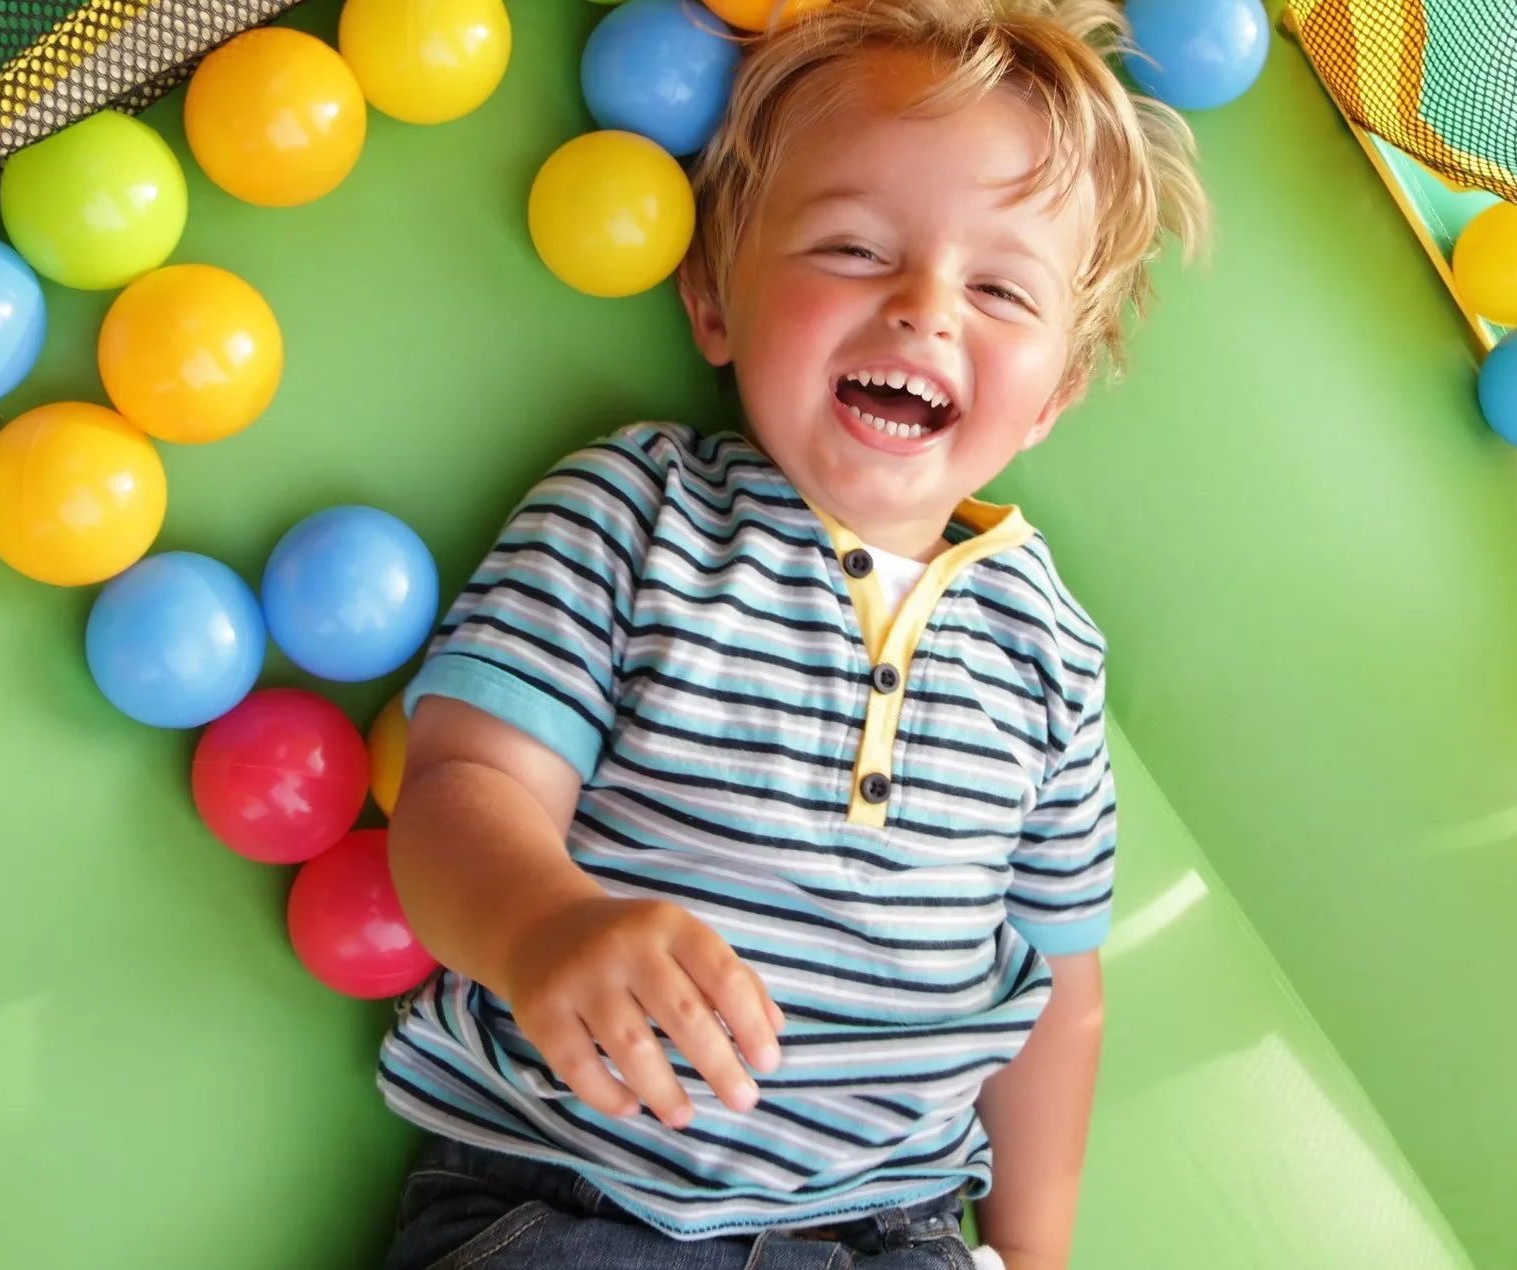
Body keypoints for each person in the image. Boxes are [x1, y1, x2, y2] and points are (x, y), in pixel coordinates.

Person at [379, 1, 1207, 1266]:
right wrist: (542, 925)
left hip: (894, 1230)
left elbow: (1058, 998)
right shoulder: (635, 509)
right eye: (854, 249)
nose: (927, 309)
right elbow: (459, 790)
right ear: (714, 295)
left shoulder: (1051, 649)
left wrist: (1036, 1255)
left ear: (1056, 392)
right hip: (583, 1193)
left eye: (998, 288)